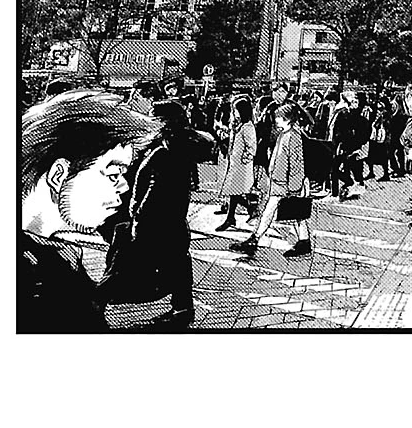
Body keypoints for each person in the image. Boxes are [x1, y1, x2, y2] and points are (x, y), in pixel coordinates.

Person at [21, 90, 157, 332]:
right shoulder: (36, 279)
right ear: (58, 175)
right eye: (113, 174)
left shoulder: (56, 258)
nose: (124, 186)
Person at [99, 98, 207, 329]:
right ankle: (183, 310)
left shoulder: (164, 153)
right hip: (174, 222)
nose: (146, 122)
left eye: (151, 118)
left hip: (154, 224)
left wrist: (138, 220)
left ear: (163, 123)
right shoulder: (178, 147)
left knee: (121, 266)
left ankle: (94, 304)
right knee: (179, 265)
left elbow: (153, 193)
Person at [233, 102, 311, 258]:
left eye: (279, 118)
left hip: (286, 184)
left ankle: (254, 240)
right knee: (296, 213)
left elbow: (296, 163)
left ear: (287, 119)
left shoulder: (293, 136)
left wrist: (294, 186)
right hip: (280, 182)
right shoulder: (285, 134)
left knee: (272, 211)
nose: (275, 120)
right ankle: (304, 242)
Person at [217, 95, 257, 230]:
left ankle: (248, 210)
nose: (234, 113)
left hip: (242, 165)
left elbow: (252, 147)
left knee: (233, 191)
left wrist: (245, 158)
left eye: (236, 110)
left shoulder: (248, 126)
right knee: (233, 192)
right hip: (234, 163)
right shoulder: (238, 125)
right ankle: (236, 215)